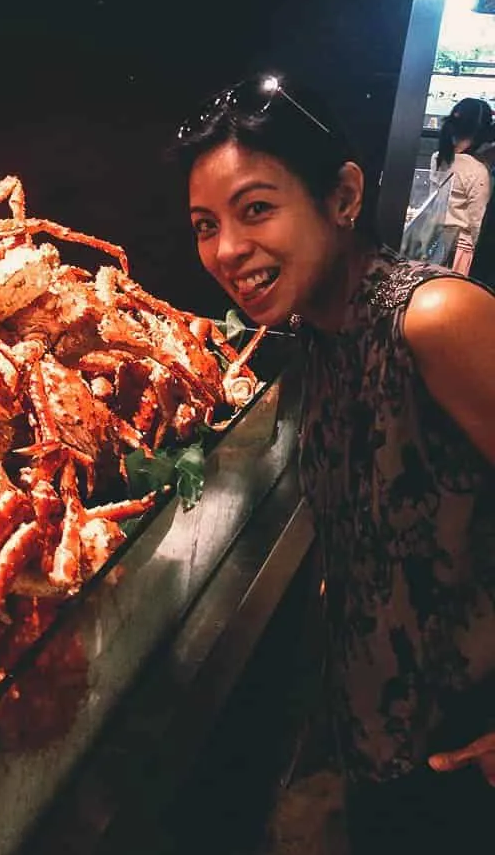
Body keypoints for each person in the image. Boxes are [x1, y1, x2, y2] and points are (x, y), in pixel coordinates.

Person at [173, 74, 495, 855]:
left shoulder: (435, 317)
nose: (226, 250)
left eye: (256, 209)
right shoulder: (319, 330)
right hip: (379, 741)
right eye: (204, 224)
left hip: (468, 749)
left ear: (343, 196)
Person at [429, 97, 493, 275]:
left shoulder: (437, 158)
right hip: (462, 251)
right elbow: (477, 223)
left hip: (439, 243)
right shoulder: (477, 171)